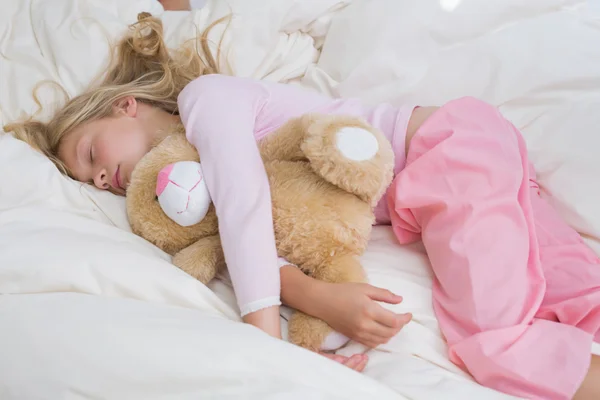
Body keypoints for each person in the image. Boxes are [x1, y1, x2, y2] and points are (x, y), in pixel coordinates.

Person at [4, 13, 600, 400]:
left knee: (496, 342)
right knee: (577, 298)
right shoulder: (180, 186)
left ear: (125, 106)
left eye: (90, 153)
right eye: (92, 182)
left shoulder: (206, 101)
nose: (103, 179)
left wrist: (263, 343)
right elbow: (245, 239)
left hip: (444, 154)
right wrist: (311, 315)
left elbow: (247, 205)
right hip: (459, 163)